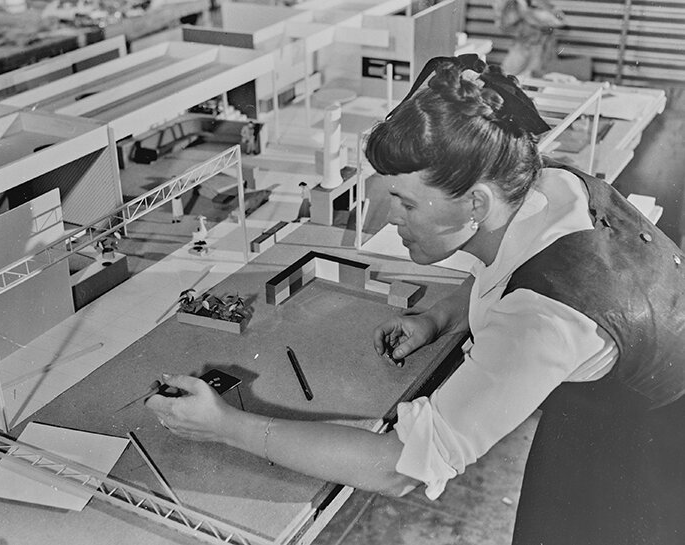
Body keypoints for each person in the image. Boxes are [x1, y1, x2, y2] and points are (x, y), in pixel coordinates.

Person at [146, 54, 685, 544]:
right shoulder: (540, 186)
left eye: (405, 202)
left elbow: (397, 467)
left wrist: (223, 424)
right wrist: (438, 318)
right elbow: (522, 264)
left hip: (653, 435)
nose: (392, 219)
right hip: (626, 367)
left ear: (474, 201)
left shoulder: (539, 323)